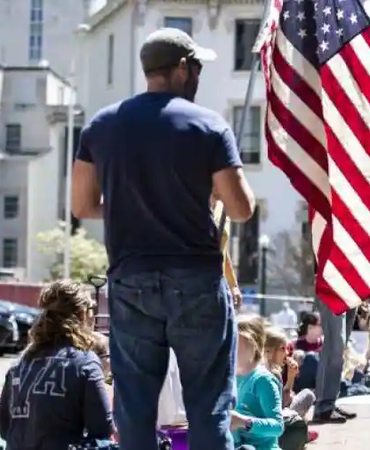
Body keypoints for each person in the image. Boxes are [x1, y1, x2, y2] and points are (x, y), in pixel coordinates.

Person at [71, 27, 255, 450]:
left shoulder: (101, 126)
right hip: (196, 280)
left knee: (135, 407)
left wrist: (131, 205)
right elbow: (241, 208)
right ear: (183, 68)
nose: (199, 76)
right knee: (208, 405)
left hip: (131, 279)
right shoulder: (209, 125)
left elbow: (82, 205)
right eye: (198, 67)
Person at [0, 281, 114, 450]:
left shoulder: (19, 364)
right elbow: (102, 428)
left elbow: (5, 429)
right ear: (82, 314)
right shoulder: (85, 362)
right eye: (91, 310)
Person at [232, 316, 284, 450]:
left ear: (253, 344)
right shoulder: (230, 378)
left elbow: (278, 426)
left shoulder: (263, 380)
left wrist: (244, 422)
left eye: (236, 341)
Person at [311, 300, 358, 424]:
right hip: (334, 290)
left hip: (352, 291)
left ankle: (330, 403)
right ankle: (324, 407)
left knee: (340, 347)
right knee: (334, 345)